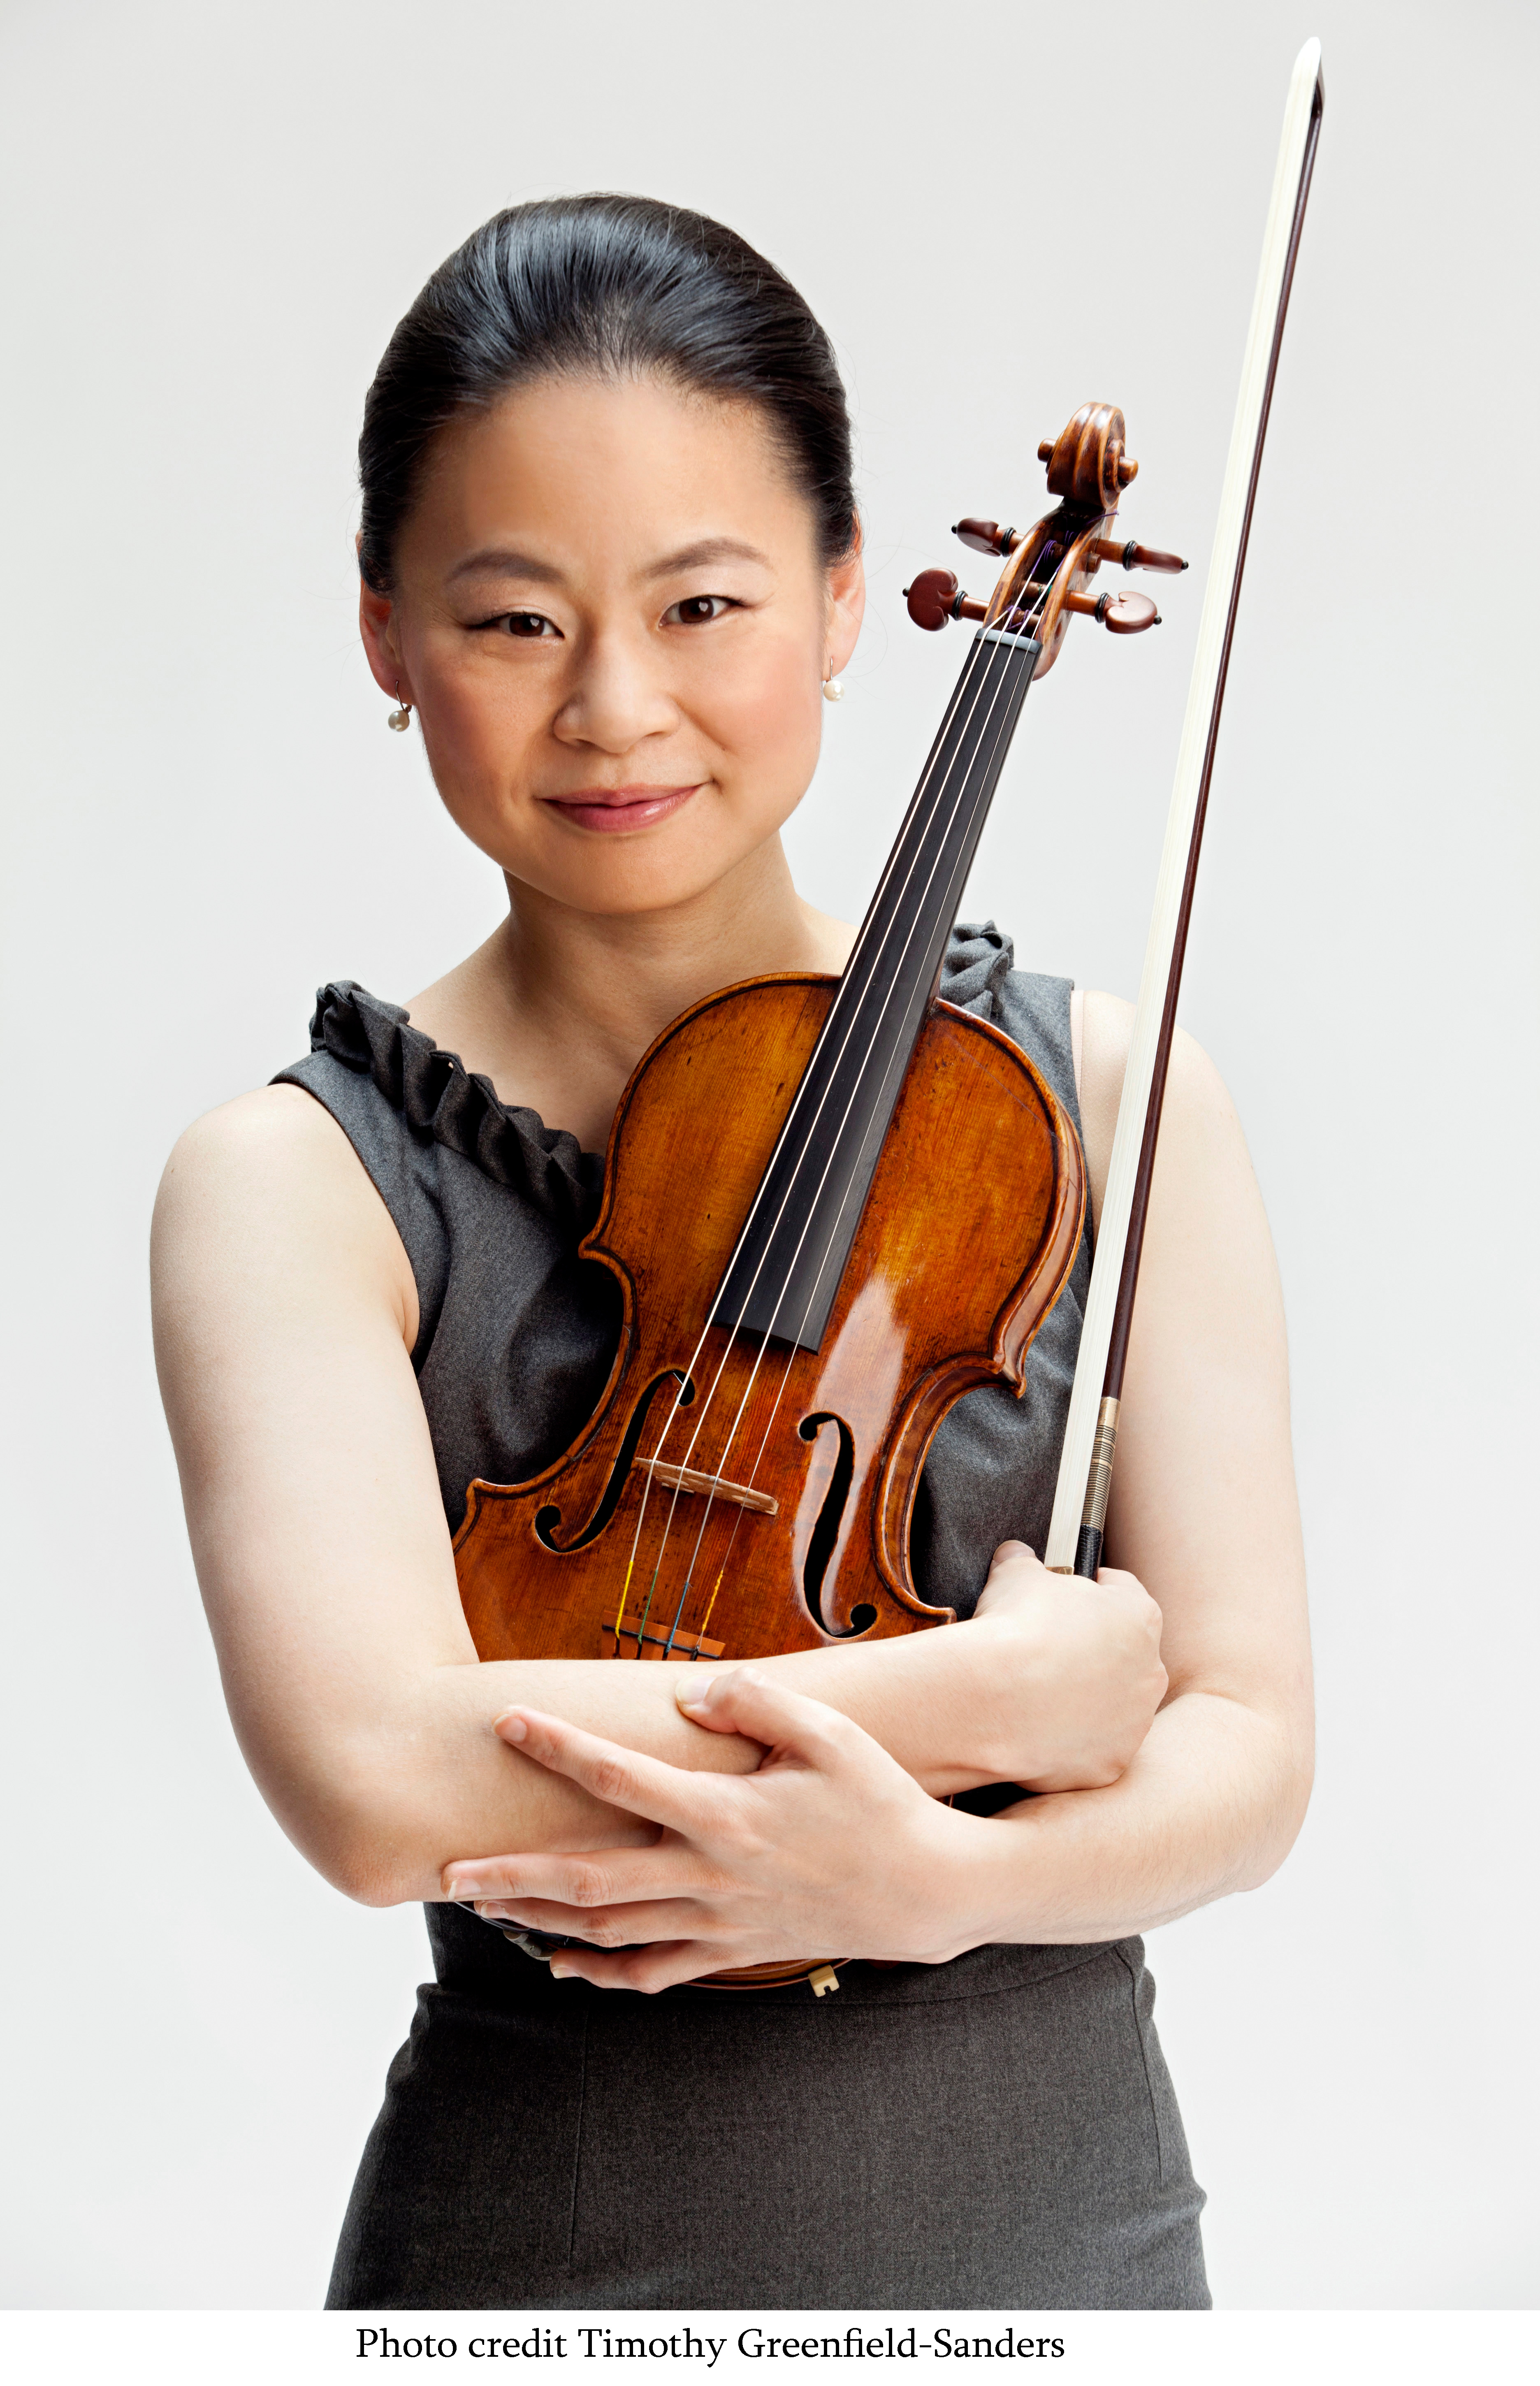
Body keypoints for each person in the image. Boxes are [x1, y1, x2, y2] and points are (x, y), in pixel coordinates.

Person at [150, 195, 1311, 2311]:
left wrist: (934, 1878)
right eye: (516, 620)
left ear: (850, 594)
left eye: (703, 604)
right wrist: (977, 1695)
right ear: (385, 637)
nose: (617, 707)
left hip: (1064, 2251)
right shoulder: (298, 1182)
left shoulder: (1111, 1099)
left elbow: (1246, 1748)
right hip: (539, 2267)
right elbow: (378, 1780)